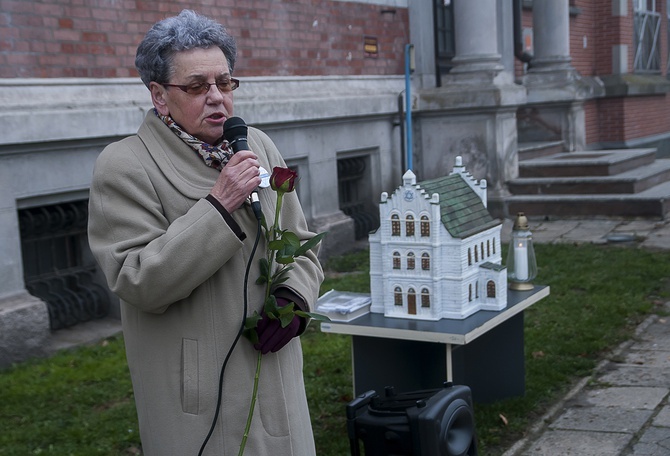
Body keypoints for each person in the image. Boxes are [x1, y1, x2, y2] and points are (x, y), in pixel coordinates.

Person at [87, 9, 323, 456]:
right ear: (159, 95)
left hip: (276, 379)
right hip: (198, 402)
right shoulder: (124, 166)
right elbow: (136, 279)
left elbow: (301, 246)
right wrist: (219, 206)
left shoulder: (258, 144)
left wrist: (296, 298)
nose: (217, 97)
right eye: (197, 86)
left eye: (225, 82)